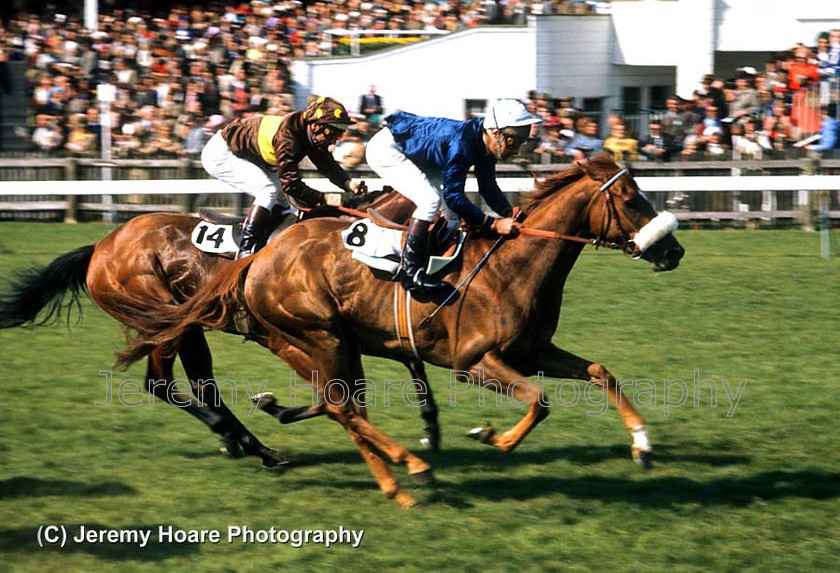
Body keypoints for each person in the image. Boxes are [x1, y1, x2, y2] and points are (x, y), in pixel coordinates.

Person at [365, 98, 539, 294]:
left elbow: (488, 186)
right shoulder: (463, 144)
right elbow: (454, 195)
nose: (516, 150)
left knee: (452, 216)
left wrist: (508, 212)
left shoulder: (485, 143)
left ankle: (433, 263)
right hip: (387, 149)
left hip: (415, 153)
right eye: (512, 142)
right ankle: (410, 271)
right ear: (495, 132)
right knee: (430, 201)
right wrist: (493, 223)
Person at [201, 96, 367, 258]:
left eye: (340, 134)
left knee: (285, 204)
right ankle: (247, 249)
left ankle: (268, 240)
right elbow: (291, 184)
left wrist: (348, 183)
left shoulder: (310, 132)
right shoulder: (289, 138)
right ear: (316, 126)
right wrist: (324, 198)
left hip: (249, 154)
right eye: (333, 133)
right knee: (267, 191)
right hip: (222, 153)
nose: (335, 140)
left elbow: (326, 164)